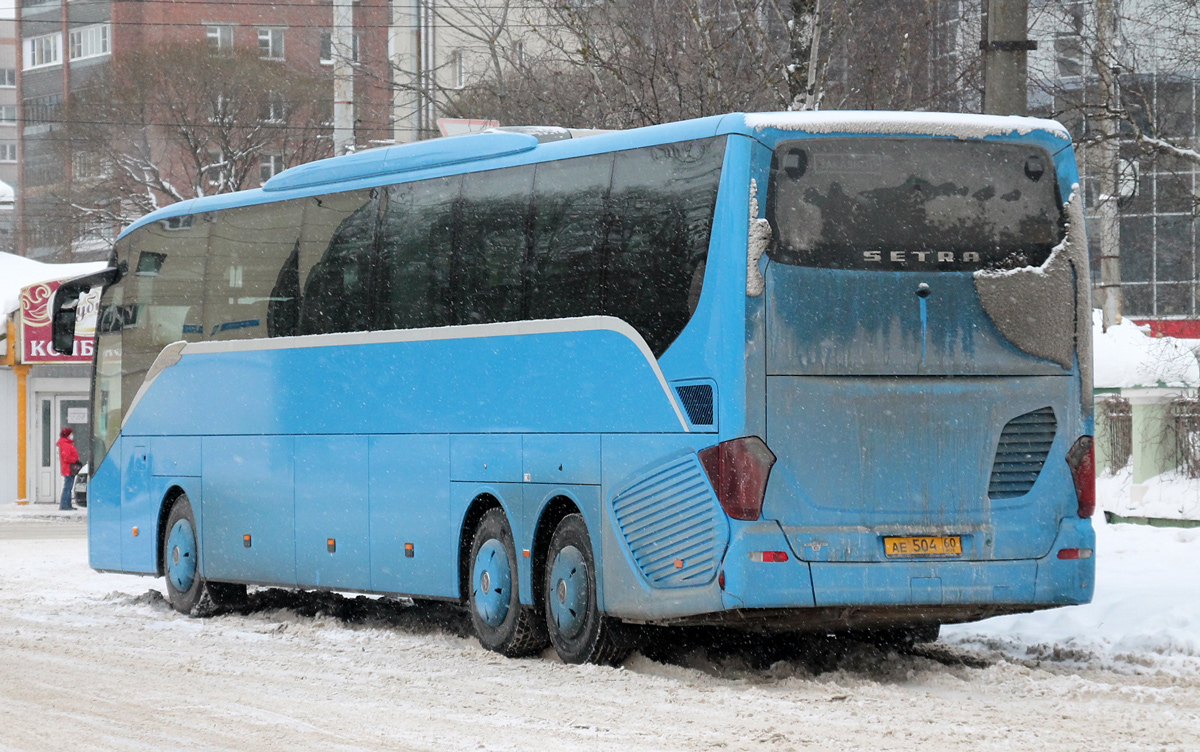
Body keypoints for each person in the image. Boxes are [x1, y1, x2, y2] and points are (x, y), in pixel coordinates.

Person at [57, 427, 80, 511]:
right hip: (68, 469)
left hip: (68, 468)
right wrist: (75, 460)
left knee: (68, 487)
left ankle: (67, 505)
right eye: (71, 434)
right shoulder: (66, 444)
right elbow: (67, 457)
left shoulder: (66, 443)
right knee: (68, 488)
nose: (72, 435)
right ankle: (65, 505)